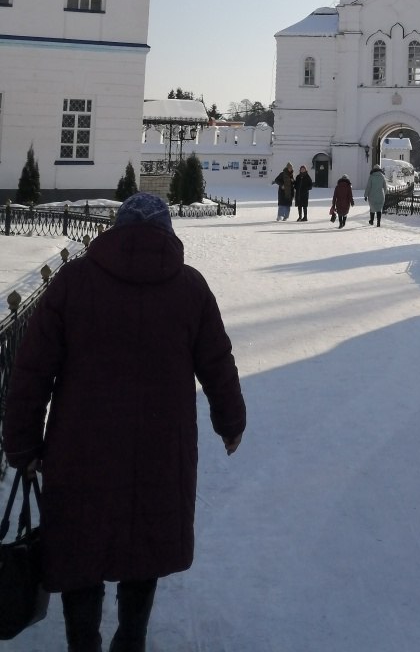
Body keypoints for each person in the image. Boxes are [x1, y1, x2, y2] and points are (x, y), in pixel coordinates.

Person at [2, 192, 246, 652]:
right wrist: (230, 421)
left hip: (80, 448)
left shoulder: (74, 283)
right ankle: (131, 639)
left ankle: (83, 643)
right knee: (145, 542)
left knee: (80, 545)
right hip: (160, 447)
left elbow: (31, 370)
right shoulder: (189, 287)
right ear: (167, 233)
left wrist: (22, 444)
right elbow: (217, 361)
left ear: (116, 230)